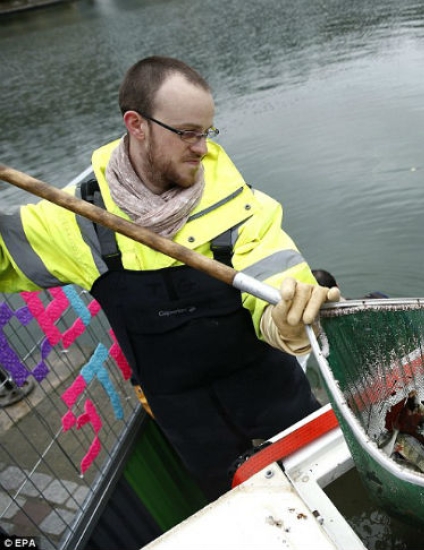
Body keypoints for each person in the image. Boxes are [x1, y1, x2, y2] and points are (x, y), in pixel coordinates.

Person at [0, 56, 340, 500]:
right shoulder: (77, 222)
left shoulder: (244, 208)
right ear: (136, 124)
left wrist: (290, 320)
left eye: (207, 132)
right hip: (196, 437)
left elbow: (279, 288)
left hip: (281, 404)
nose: (201, 147)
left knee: (332, 498)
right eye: (187, 133)